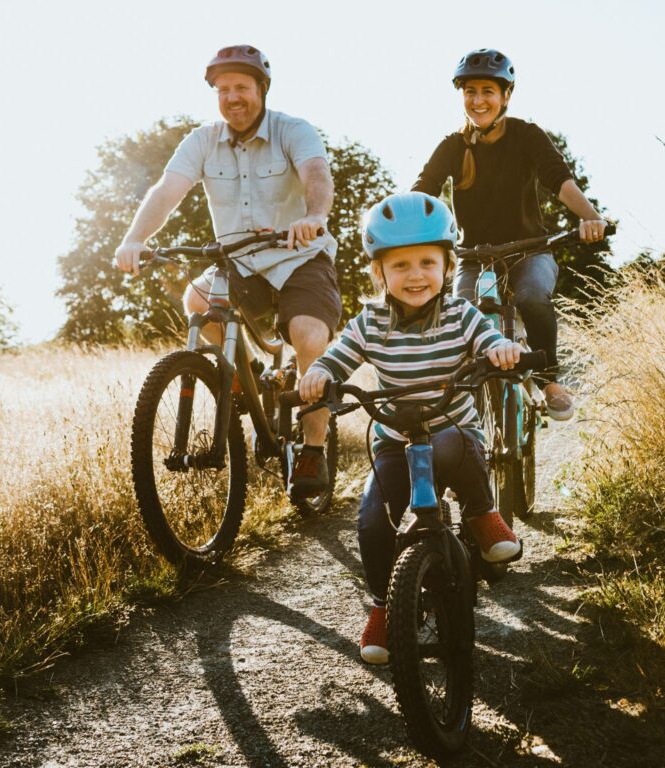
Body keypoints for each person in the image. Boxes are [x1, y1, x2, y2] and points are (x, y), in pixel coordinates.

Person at [299, 192, 524, 664]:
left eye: (427, 261)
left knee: (457, 441)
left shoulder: (461, 314)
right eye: (400, 265)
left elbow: (488, 337)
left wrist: (500, 350)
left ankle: (482, 513)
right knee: (372, 521)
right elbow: (339, 356)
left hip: (450, 435)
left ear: (447, 266)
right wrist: (320, 373)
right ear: (379, 273)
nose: (415, 275)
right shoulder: (371, 321)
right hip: (394, 443)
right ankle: (384, 604)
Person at [114, 44, 340, 495]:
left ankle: (313, 451)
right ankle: (251, 380)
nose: (232, 97)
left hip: (298, 258)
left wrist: (314, 217)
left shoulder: (293, 131)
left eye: (241, 87)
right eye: (222, 89)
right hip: (237, 261)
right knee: (197, 300)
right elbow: (166, 190)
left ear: (262, 89)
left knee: (310, 338)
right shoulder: (202, 140)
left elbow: (317, 174)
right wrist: (133, 238)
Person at [412, 48, 607, 421]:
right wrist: (405, 228)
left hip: (530, 249)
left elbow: (558, 179)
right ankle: (457, 403)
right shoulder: (453, 145)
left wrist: (591, 218)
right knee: (461, 314)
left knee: (533, 296)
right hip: (473, 256)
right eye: (470, 91)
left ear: (505, 96)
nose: (478, 100)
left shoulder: (526, 136)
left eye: (488, 91)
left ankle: (549, 381)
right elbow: (425, 188)